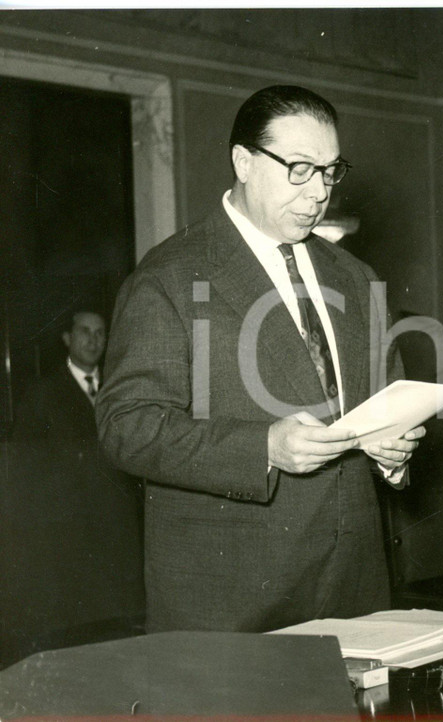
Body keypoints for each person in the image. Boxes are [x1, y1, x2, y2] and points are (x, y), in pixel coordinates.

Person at [97, 85, 425, 633]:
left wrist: (395, 453)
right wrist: (262, 448)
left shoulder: (355, 277)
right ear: (243, 162)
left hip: (356, 589)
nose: (318, 192)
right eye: (299, 168)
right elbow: (124, 426)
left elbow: (386, 402)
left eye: (329, 171)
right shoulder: (170, 276)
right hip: (233, 601)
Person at [13, 310, 106, 440]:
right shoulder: (42, 392)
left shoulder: (117, 384)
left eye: (99, 333)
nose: (93, 340)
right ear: (67, 338)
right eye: (85, 331)